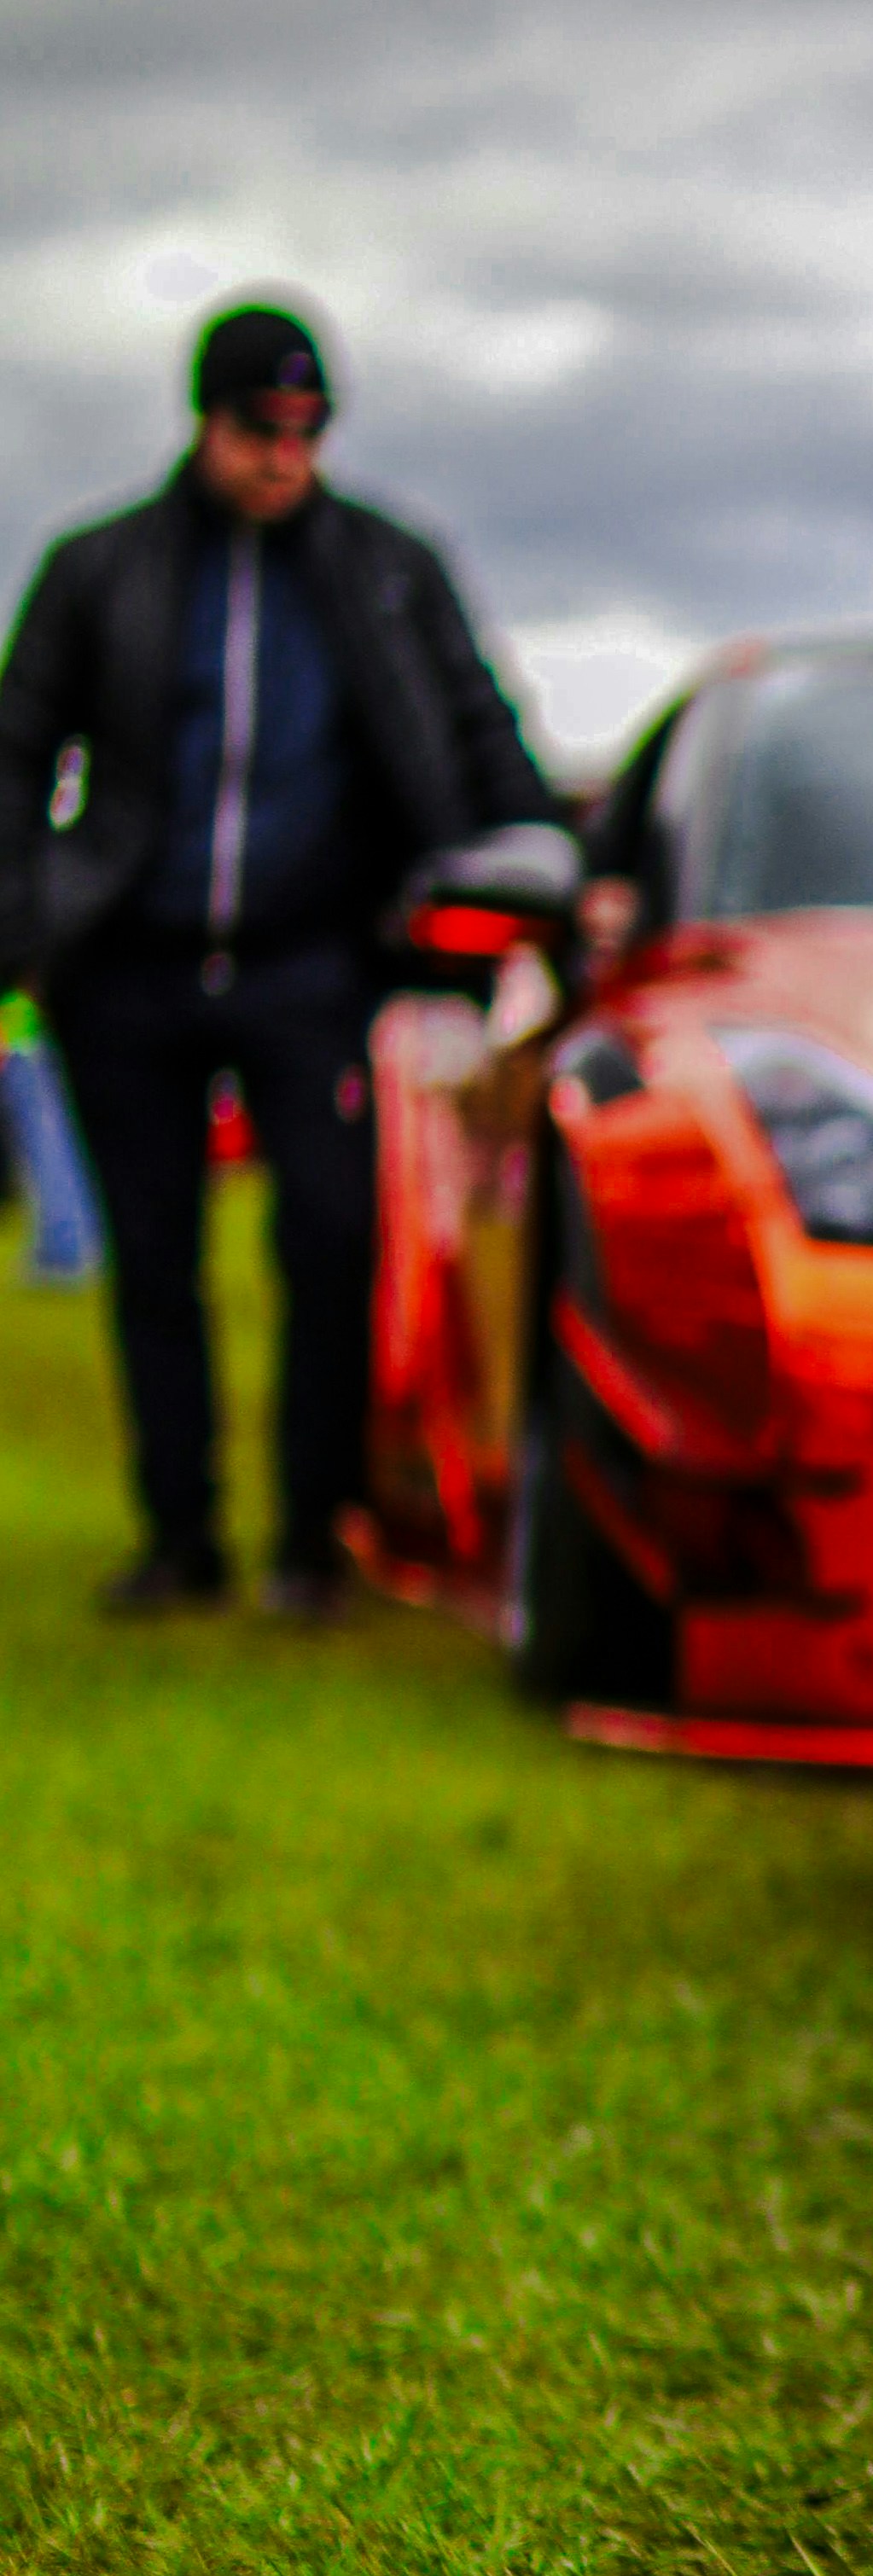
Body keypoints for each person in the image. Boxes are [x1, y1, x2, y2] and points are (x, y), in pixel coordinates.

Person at [0, 300, 553, 1616]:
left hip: (316, 963)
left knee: (331, 1237)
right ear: (206, 421)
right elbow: (17, 749)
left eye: (307, 431)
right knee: (154, 1256)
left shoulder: (385, 567)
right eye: (260, 428)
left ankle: (316, 1536)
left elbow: (476, 723)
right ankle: (180, 1536)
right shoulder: (103, 569)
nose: (282, 457)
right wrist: (28, 916)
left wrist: (535, 855)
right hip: (128, 965)